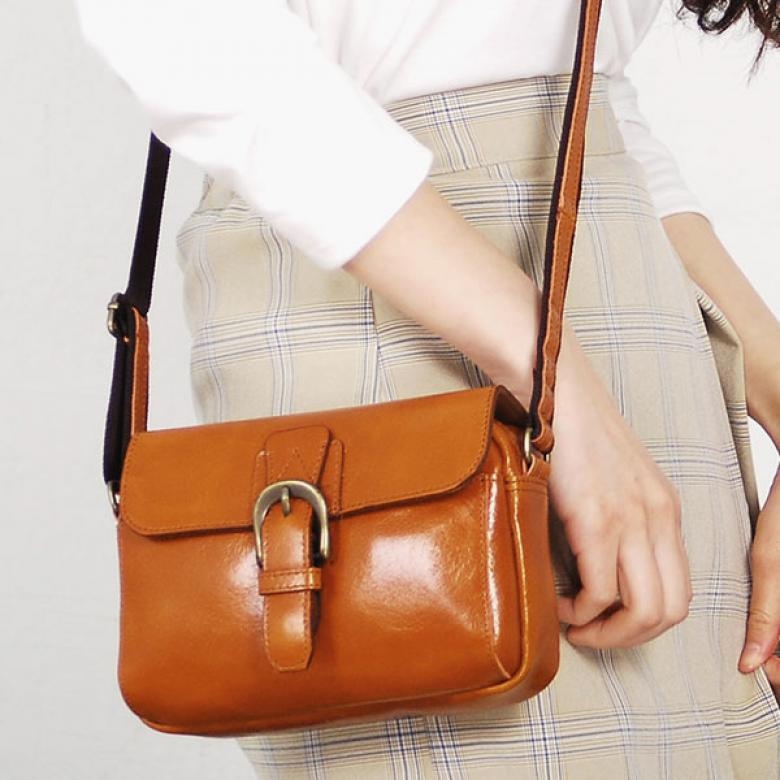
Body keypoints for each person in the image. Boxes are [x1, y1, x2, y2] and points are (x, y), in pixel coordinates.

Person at [75, 1, 780, 777]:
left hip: (627, 313)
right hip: (393, 292)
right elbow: (178, 27)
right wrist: (564, 393)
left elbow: (583, 81)